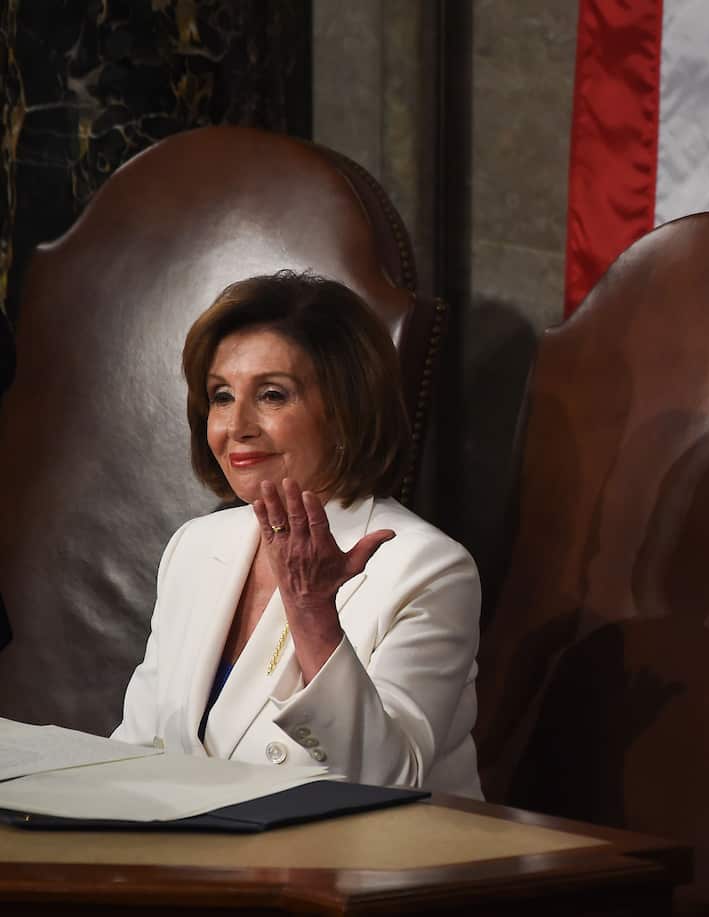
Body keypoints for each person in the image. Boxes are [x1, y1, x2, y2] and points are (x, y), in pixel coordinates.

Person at [112, 271, 482, 796]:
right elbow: (137, 746)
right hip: (195, 861)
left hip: (368, 868)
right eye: (221, 396)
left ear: (345, 409)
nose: (236, 425)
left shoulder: (429, 569)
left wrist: (311, 611)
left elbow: (387, 783)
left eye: (271, 395)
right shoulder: (195, 547)